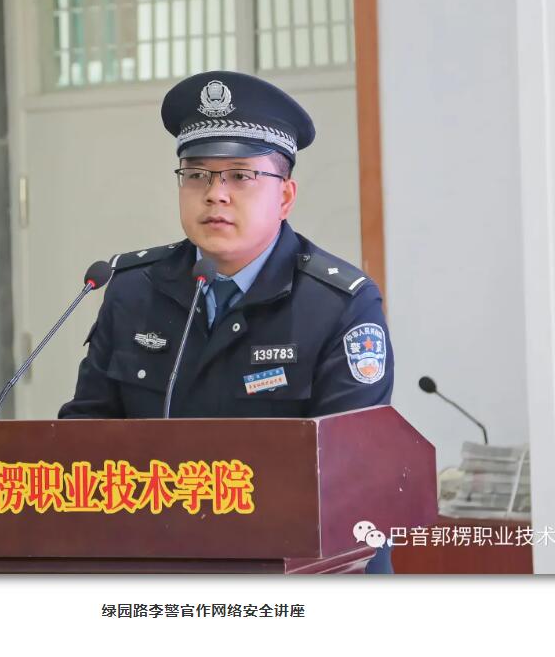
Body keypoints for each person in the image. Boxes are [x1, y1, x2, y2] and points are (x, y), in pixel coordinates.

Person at [58, 70, 394, 572]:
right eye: (196, 175)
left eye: (240, 175)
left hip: (302, 573)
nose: (215, 194)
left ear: (285, 196)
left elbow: (349, 472)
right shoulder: (133, 289)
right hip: (161, 563)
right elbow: (85, 437)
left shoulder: (339, 305)